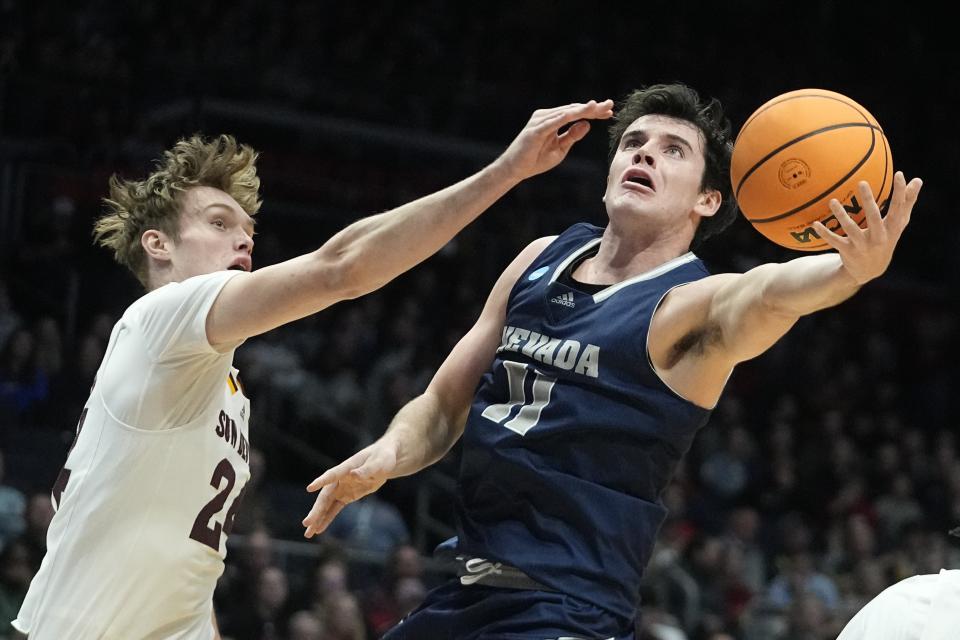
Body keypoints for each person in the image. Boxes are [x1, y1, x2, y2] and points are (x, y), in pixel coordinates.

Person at [302, 83, 923, 639]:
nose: (644, 154)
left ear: (707, 201)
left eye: (673, 149)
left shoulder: (688, 308)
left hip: (567, 611)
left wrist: (850, 269)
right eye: (632, 142)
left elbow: (769, 290)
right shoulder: (539, 258)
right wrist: (389, 454)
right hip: (463, 592)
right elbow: (442, 406)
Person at [11, 98, 614, 640]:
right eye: (219, 224)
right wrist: (505, 171)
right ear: (158, 245)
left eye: (249, 231)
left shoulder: (222, 386)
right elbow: (342, 267)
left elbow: (189, 568)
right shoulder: (159, 319)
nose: (244, 242)